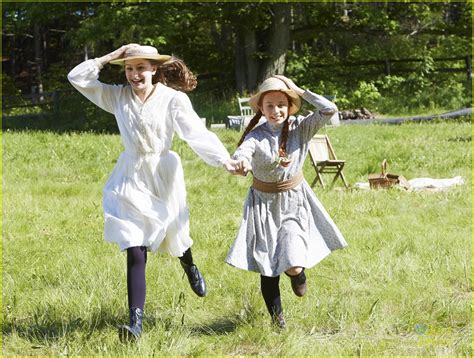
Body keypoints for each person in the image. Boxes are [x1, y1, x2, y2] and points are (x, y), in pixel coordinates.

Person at [68, 44, 238, 340]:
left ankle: (190, 265)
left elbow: (195, 133)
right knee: (135, 245)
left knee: (174, 234)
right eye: (129, 69)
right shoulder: (116, 96)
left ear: (154, 69)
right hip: (131, 174)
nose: (134, 75)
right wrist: (110, 57)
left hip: (164, 172)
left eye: (141, 68)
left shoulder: (173, 99)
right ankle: (135, 323)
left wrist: (224, 159)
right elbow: (77, 77)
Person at [226, 75, 348, 328]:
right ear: (261, 108)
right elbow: (243, 153)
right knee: (268, 264)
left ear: (290, 106)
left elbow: (329, 109)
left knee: (292, 259)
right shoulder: (255, 136)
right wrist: (241, 164)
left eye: (281, 104)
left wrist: (300, 91)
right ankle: (277, 320)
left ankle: (297, 273)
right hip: (263, 205)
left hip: (294, 201)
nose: (275, 110)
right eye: (269, 105)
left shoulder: (300, 128)